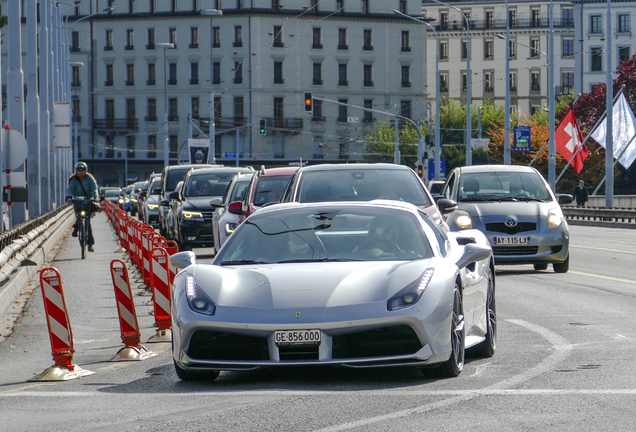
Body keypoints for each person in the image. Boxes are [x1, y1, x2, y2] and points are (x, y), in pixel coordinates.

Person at [65, 162, 98, 252]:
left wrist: (96, 197)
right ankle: (77, 226)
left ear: (85, 171)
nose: (81, 172)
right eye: (79, 170)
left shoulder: (90, 179)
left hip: (88, 201)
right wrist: (69, 197)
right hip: (77, 201)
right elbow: (70, 190)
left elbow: (94, 188)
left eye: (82, 170)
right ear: (76, 171)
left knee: (87, 222)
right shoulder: (73, 180)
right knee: (79, 216)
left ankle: (90, 244)